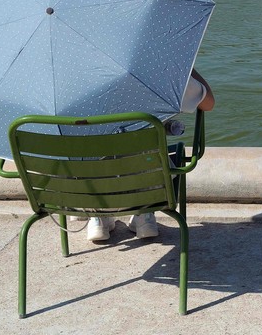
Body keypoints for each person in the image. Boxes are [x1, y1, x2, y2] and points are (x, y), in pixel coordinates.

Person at [87, 69, 215, 242]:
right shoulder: (159, 70)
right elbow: (209, 103)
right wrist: (186, 67)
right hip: (154, 188)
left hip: (80, 191)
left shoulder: (71, 79)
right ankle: (145, 215)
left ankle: (98, 217)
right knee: (150, 152)